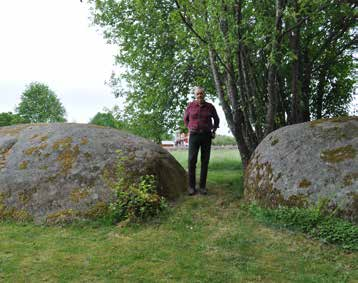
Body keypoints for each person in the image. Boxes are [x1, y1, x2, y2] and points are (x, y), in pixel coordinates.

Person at [184, 87, 219, 195]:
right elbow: (186, 119)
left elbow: (216, 119)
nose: (200, 95)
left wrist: (213, 130)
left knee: (205, 161)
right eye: (198, 94)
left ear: (204, 94)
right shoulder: (190, 106)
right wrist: (190, 128)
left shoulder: (210, 106)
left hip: (206, 136)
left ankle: (202, 187)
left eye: (201, 93)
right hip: (194, 135)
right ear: (195, 95)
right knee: (191, 160)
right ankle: (191, 187)